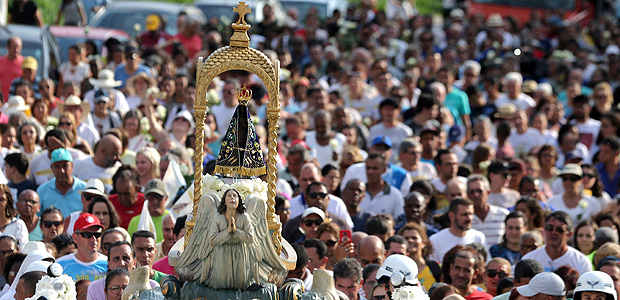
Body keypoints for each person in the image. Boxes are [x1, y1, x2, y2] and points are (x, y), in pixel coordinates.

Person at [522, 211, 592, 274]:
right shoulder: (529, 259)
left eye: (559, 230)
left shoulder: (581, 262)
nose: (554, 232)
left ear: (569, 234)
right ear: (544, 231)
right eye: (549, 228)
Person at [86, 241, 159, 300]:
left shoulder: (151, 287)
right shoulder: (95, 288)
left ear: (134, 262)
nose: (121, 263)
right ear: (109, 263)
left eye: (126, 258)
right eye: (116, 259)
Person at [36, 148, 87, 217]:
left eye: (65, 166)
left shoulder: (84, 189)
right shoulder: (42, 190)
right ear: (51, 168)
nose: (61, 171)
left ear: (72, 166)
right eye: (57, 167)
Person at [57, 213, 107, 282]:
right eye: (87, 235)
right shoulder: (60, 265)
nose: (93, 239)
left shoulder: (108, 264)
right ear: (75, 237)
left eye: (97, 235)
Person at [467, 174, 509, 248]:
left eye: (479, 191)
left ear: (488, 193)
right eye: (472, 192)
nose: (476, 195)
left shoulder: (503, 215)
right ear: (467, 195)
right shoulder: (465, 218)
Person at [398, 222, 440, 290]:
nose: (410, 240)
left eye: (414, 238)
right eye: (406, 238)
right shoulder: (396, 271)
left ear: (423, 243)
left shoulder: (436, 268)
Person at [361, 153, 405, 218]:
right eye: (368, 168)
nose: (370, 172)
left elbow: (399, 221)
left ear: (384, 170)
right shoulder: (359, 193)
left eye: (375, 168)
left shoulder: (395, 195)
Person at [0, 36, 23, 101]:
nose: (16, 50)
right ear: (8, 47)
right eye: (14, 47)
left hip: (16, 102)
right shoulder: (1, 61)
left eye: (18, 47)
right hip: (2, 101)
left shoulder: (24, 64)